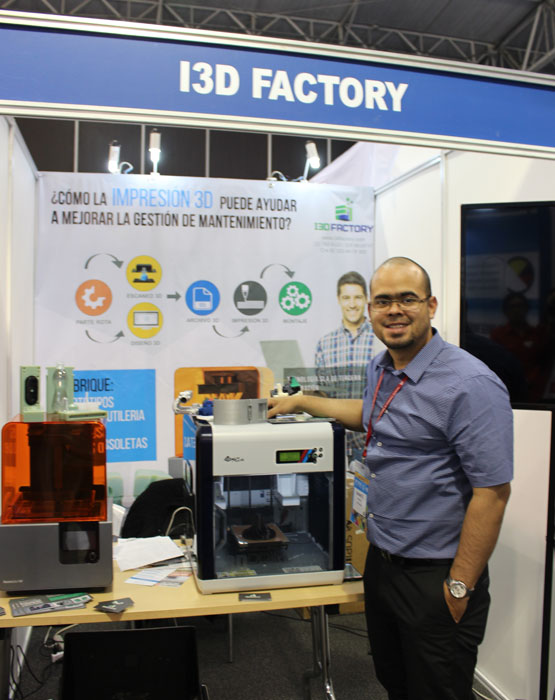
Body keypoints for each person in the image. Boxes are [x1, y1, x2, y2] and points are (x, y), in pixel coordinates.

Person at [268, 256, 513, 700]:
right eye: (383, 301)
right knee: (394, 682)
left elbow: (492, 493)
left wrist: (459, 586)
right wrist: (302, 402)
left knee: (438, 691)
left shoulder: (470, 383)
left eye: (407, 299)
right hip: (383, 565)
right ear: (370, 310)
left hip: (435, 574)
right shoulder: (381, 367)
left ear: (431, 305)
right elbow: (372, 414)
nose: (394, 310)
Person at [314, 271, 373, 461]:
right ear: (339, 300)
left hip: (372, 445)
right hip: (335, 443)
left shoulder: (380, 339)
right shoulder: (325, 343)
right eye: (346, 298)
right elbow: (322, 395)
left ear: (366, 299)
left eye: (358, 297)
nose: (352, 304)